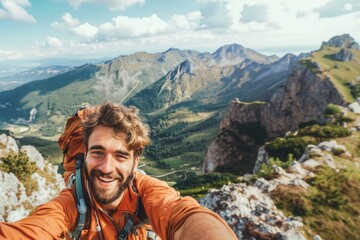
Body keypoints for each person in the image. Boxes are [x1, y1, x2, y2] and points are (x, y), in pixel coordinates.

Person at [0, 102, 237, 240]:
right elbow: (34, 230)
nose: (106, 168)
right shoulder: (69, 205)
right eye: (98, 152)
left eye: (121, 155)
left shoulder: (145, 191)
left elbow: (182, 215)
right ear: (86, 155)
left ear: (135, 164)